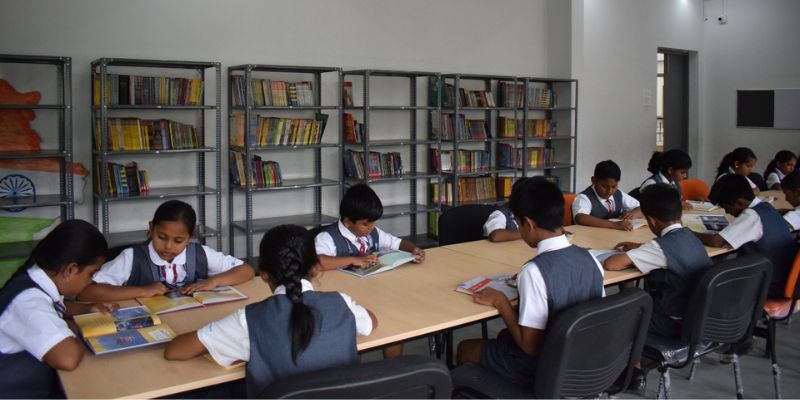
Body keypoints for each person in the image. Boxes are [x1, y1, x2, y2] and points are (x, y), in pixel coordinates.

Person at [164, 224, 376, 397]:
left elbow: (175, 351)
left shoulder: (249, 319)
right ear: (315, 268)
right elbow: (371, 322)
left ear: (263, 274)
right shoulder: (341, 302)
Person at [455, 177, 604, 388]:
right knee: (505, 336)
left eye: (517, 223)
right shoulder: (590, 259)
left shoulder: (533, 272)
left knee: (465, 348)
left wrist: (501, 302)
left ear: (529, 224)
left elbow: (530, 347)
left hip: (545, 368)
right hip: (584, 359)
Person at [603, 184, 713, 394]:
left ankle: (633, 374)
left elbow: (612, 264)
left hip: (672, 324)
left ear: (651, 221)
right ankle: (634, 364)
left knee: (620, 314)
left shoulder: (660, 248)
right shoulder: (690, 236)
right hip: (696, 319)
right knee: (633, 298)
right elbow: (662, 250)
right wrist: (641, 249)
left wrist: (639, 251)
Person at [0, 220, 118, 398]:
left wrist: (85, 308)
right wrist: (76, 333)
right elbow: (67, 358)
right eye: (91, 274)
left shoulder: (37, 278)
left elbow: (52, 307)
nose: (90, 281)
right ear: (70, 270)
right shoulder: (28, 301)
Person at [79, 200, 254, 301]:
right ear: (151, 228)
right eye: (161, 237)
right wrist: (143, 291)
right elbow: (86, 291)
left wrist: (214, 281)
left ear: (190, 237)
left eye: (178, 241)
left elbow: (246, 270)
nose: (168, 246)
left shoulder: (200, 253)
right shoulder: (131, 257)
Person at [696, 174, 797, 297]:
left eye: (726, 208)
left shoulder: (751, 216)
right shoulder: (766, 206)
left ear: (740, 202)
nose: (727, 212)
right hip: (785, 278)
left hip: (770, 284)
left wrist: (689, 232)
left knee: (708, 282)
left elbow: (716, 242)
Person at [315, 184, 425, 270]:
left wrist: (413, 249)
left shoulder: (372, 232)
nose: (371, 227)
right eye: (365, 224)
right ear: (348, 222)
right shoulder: (327, 238)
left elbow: (397, 243)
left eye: (373, 222)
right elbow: (317, 262)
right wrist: (354, 260)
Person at [572, 160, 642, 230]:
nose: (609, 191)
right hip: (590, 235)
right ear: (594, 181)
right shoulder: (584, 197)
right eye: (604, 186)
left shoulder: (618, 194)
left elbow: (641, 207)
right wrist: (614, 225)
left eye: (614, 186)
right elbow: (580, 218)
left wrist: (633, 214)